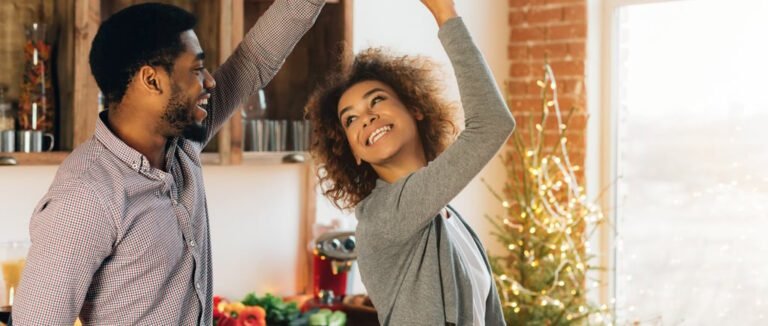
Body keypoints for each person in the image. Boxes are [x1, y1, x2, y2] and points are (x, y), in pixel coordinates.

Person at [12, 1, 324, 324]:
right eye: (195, 70)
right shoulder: (86, 197)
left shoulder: (182, 143)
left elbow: (254, 59)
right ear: (151, 80)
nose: (209, 82)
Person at [305, 0, 515, 324]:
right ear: (354, 153)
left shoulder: (449, 217)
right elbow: (492, 123)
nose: (367, 118)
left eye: (377, 100)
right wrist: (446, 14)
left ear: (415, 110)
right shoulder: (384, 216)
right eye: (351, 120)